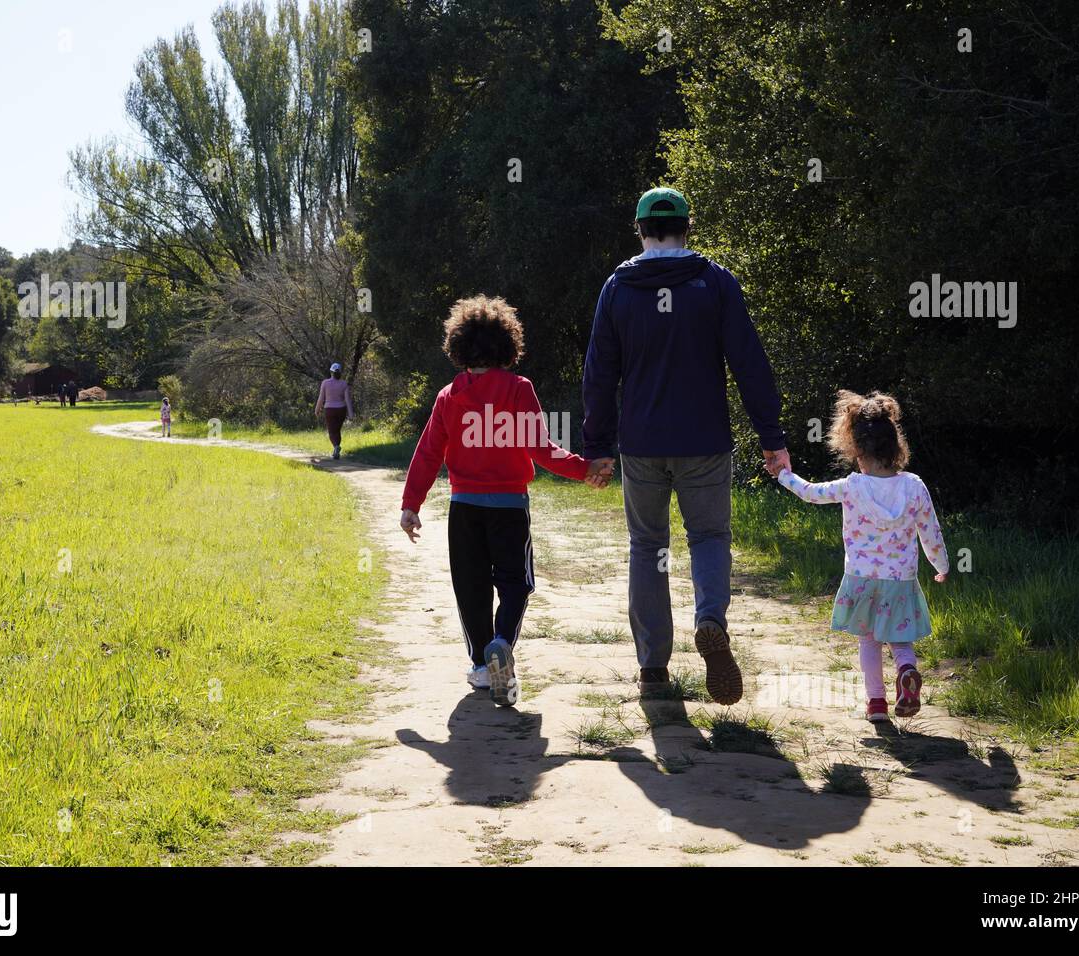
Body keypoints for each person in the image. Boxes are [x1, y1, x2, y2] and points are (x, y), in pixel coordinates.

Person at [581, 187, 789, 703]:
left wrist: (598, 447)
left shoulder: (618, 288)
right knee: (710, 537)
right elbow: (750, 364)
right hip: (705, 441)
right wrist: (772, 438)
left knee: (647, 548)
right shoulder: (713, 282)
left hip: (643, 444)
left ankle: (653, 670)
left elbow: (599, 374)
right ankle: (710, 619)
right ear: (687, 227)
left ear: (641, 229)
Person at [400, 296, 613, 707]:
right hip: (509, 508)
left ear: (459, 346)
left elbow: (428, 452)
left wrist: (412, 504)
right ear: (507, 344)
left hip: (464, 509)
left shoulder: (448, 396)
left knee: (471, 587)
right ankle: (502, 643)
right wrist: (584, 468)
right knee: (516, 582)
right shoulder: (519, 389)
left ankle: (482, 665)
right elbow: (541, 449)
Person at [773, 390, 949, 723]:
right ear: (896, 448)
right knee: (900, 638)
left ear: (857, 451)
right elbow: (931, 532)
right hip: (900, 581)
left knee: (869, 641)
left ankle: (877, 705)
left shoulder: (852, 486)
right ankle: (907, 671)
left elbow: (811, 493)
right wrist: (941, 566)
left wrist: (783, 474)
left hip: (862, 580)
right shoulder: (914, 486)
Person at [315, 363, 353, 459]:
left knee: (332, 431)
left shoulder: (325, 383)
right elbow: (347, 400)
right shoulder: (344, 384)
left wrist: (317, 409)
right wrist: (351, 414)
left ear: (331, 372)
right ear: (340, 372)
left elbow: (321, 398)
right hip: (341, 410)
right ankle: (336, 451)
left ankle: (336, 447)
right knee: (337, 430)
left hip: (329, 410)